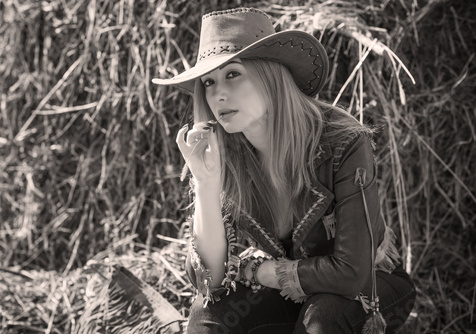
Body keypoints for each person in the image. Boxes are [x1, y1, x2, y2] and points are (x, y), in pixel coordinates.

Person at [153, 7, 416, 334]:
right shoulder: (224, 152)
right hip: (290, 295)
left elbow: (352, 273)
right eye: (208, 82)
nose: (217, 93)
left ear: (269, 74)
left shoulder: (342, 143)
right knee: (208, 317)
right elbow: (210, 282)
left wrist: (263, 272)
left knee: (324, 317)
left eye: (232, 74)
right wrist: (205, 184)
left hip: (370, 286)